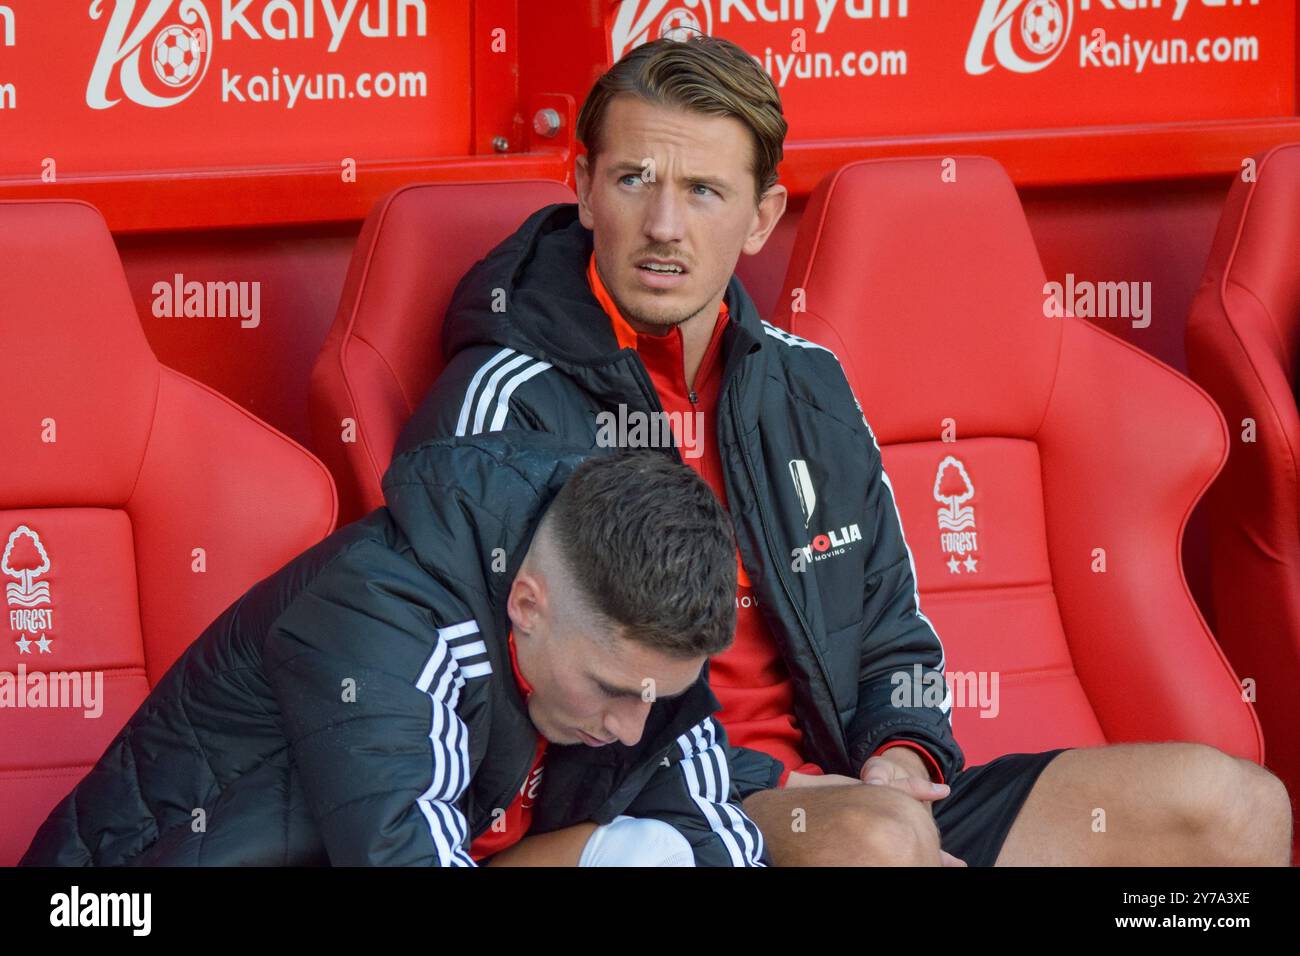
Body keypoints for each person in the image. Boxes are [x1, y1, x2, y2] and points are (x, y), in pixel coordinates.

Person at [393, 35, 1293, 865]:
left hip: (847, 799)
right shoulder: (501, 405)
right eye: (635, 179)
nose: (665, 224)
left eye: (704, 190)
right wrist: (792, 794)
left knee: (1232, 810)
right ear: (585, 189)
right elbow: (494, 703)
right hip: (634, 817)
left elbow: (891, 636)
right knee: (876, 844)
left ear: (761, 216)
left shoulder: (805, 387)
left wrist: (899, 754)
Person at [20, 436, 767, 866]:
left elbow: (715, 836)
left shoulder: (633, 657)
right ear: (527, 604)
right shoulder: (380, 609)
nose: (631, 728)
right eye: (609, 690)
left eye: (656, 699)